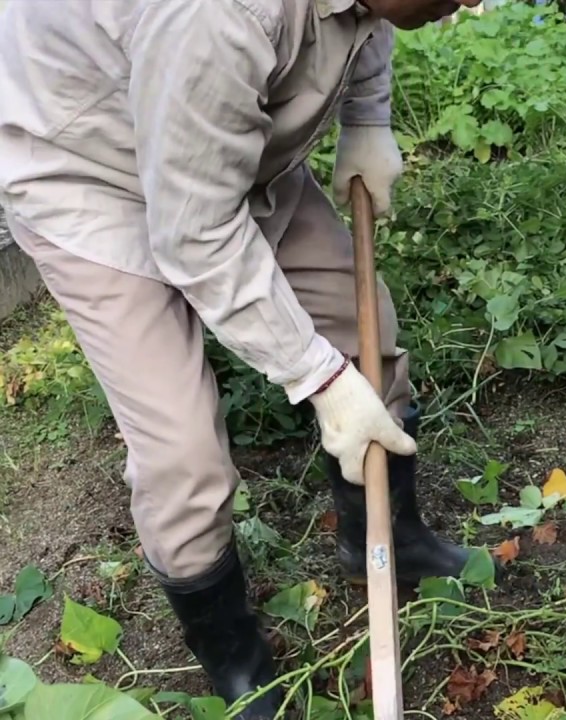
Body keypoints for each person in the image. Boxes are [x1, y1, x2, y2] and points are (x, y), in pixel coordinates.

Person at [0, 0, 493, 717]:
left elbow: (369, 20)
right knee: (182, 455)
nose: (471, 3)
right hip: (89, 169)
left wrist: (367, 119)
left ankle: (384, 538)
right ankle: (234, 659)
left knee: (364, 338)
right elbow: (194, 233)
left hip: (216, 140)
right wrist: (317, 379)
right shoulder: (216, 13)